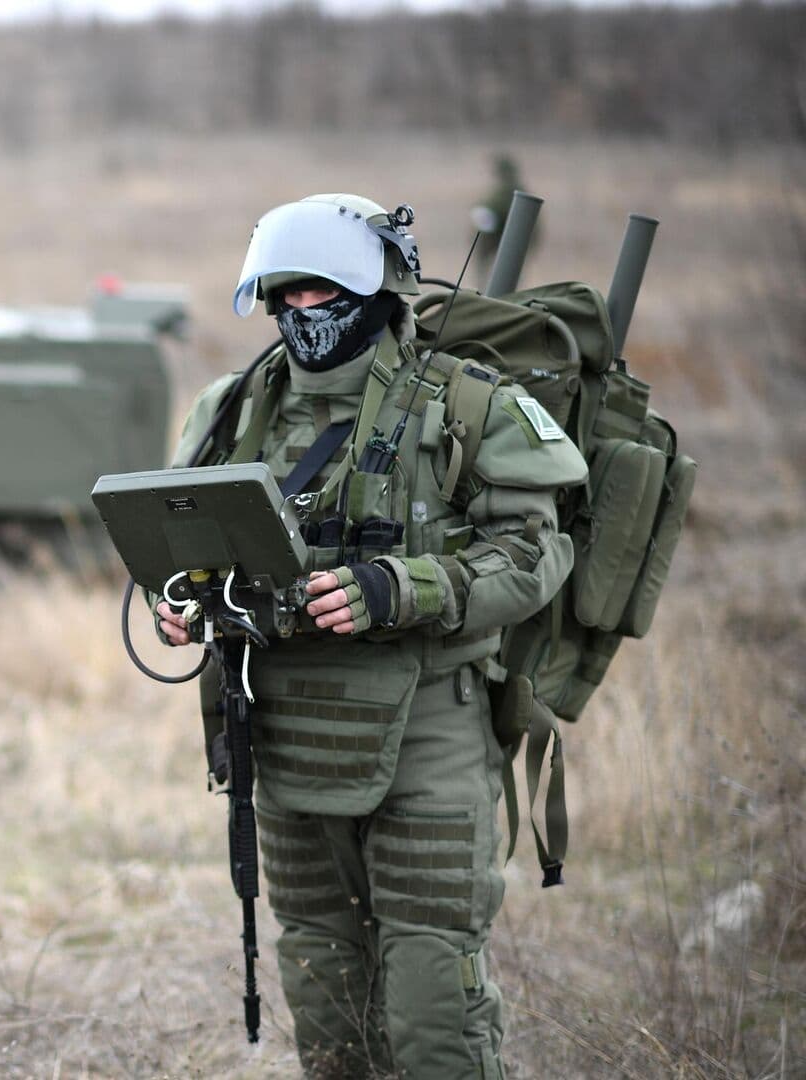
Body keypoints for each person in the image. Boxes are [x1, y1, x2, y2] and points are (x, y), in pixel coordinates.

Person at [157, 194, 586, 1078]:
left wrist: (403, 587)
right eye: (288, 298)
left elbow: (536, 555)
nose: (304, 315)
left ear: (378, 289)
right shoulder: (235, 408)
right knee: (322, 981)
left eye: (325, 295)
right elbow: (186, 538)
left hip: (427, 724)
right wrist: (184, 602)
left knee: (432, 988)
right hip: (280, 730)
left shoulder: (466, 405)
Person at [471, 154, 532, 267]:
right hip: (503, 240)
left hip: (505, 240)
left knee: (507, 271)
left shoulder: (509, 194)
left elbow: (494, 211)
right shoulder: (510, 192)